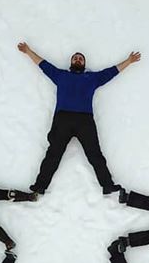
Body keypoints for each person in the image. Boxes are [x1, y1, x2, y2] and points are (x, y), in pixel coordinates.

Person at [17, 42, 141, 194]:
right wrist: (28, 51)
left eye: (80, 58)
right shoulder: (61, 75)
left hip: (85, 120)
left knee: (95, 154)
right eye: (75, 58)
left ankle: (107, 185)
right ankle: (40, 186)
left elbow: (111, 72)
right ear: (71, 63)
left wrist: (128, 61)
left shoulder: (92, 78)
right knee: (53, 154)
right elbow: (43, 64)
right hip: (63, 119)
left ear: (84, 64)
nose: (77, 59)